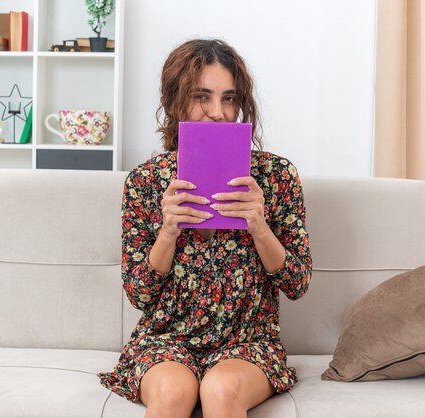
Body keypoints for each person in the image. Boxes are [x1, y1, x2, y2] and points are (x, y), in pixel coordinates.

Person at [98, 39, 312, 418]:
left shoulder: (277, 176)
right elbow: (139, 295)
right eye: (203, 97)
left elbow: (297, 284)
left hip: (248, 342)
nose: (219, 113)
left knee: (221, 389)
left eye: (229, 99)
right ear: (174, 102)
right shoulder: (146, 182)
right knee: (171, 391)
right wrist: (168, 231)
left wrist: (259, 227)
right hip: (167, 340)